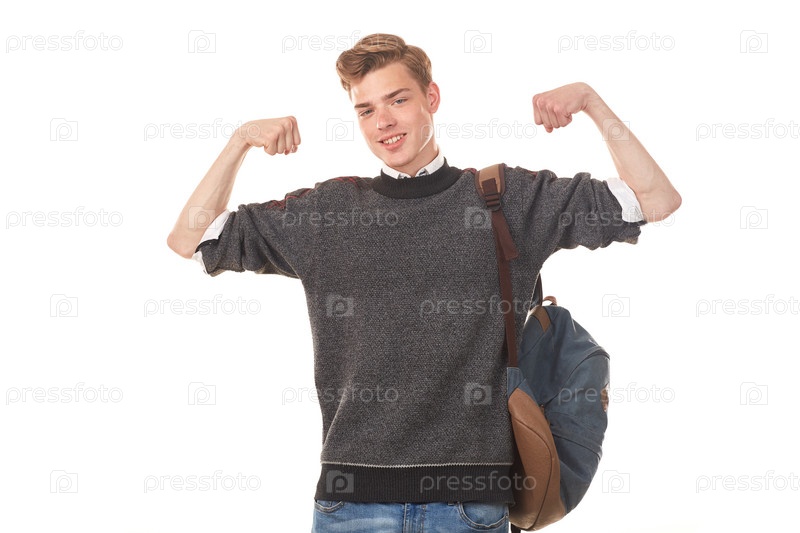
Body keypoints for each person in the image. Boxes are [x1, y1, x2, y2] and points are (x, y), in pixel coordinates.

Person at [167, 33, 680, 533]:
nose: (383, 121)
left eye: (398, 100)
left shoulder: (504, 199)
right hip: (352, 507)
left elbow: (655, 199)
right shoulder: (330, 212)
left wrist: (590, 101)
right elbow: (190, 237)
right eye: (366, 110)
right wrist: (240, 141)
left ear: (431, 98)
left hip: (469, 507)